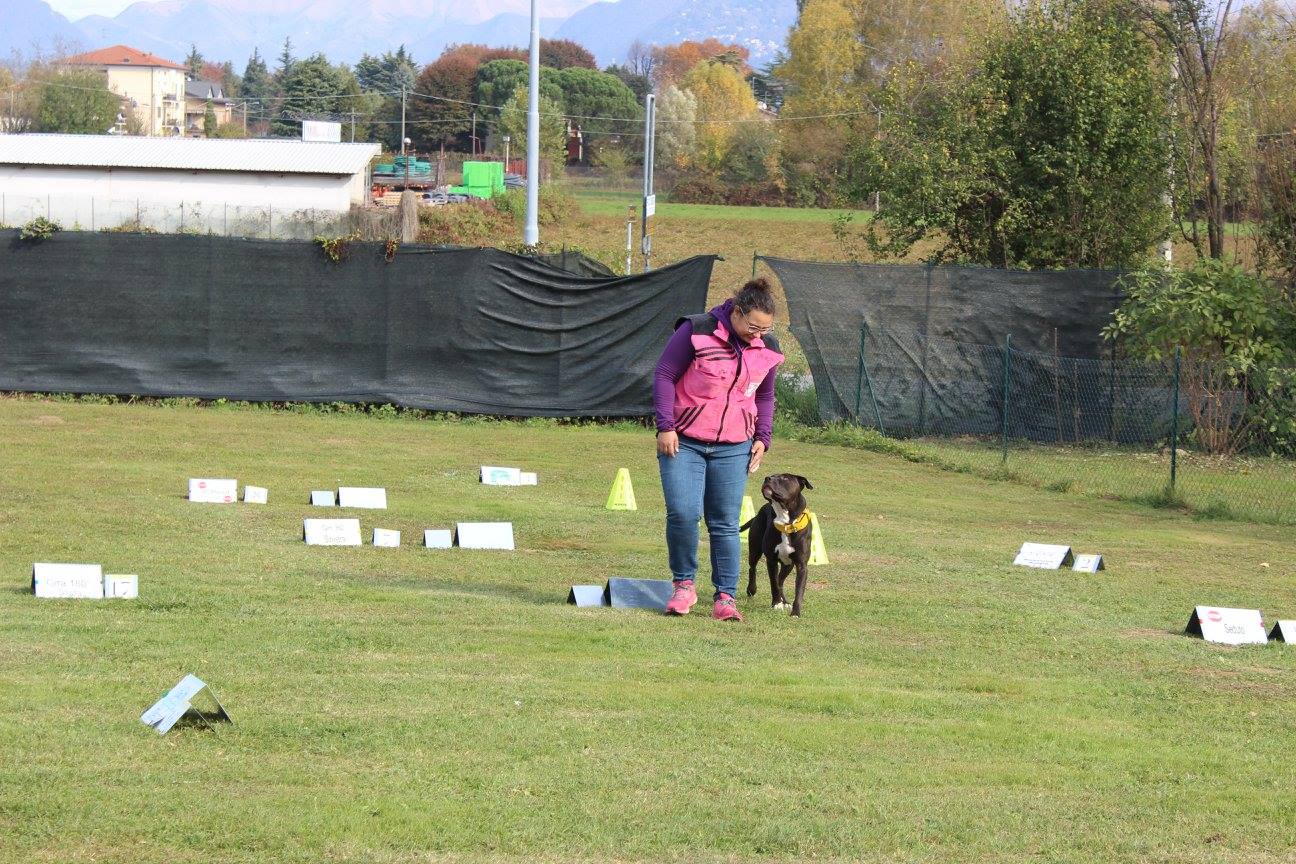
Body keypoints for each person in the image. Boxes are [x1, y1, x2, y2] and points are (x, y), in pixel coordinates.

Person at [653, 277, 784, 622]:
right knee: (683, 513)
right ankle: (684, 586)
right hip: (684, 441)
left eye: (765, 329)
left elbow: (765, 396)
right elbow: (665, 374)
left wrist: (762, 437)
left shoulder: (766, 347)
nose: (758, 335)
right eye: (753, 327)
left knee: (725, 523)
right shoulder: (696, 330)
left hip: (734, 447)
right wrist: (665, 426)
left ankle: (725, 597)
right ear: (736, 313)